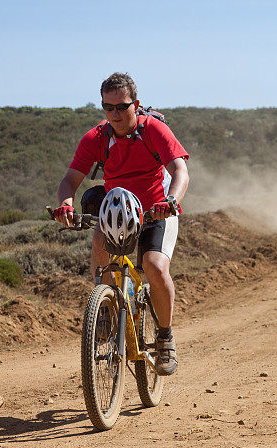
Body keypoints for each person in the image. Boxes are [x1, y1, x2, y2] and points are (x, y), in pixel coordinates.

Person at [52, 72, 190, 376]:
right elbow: (70, 179)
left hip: (156, 211)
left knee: (154, 266)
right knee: (101, 251)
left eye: (122, 106)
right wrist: (66, 204)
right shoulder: (97, 137)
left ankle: (165, 338)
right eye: (108, 107)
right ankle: (104, 313)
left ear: (136, 104)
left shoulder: (153, 129)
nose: (115, 114)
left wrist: (171, 200)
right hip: (118, 212)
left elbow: (179, 170)